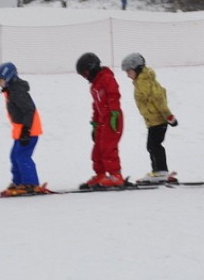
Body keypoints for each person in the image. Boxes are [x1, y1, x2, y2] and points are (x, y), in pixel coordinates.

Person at [0, 62, 49, 196]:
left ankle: (30, 184)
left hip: (29, 130)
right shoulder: (11, 91)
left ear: (8, 77)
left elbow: (29, 110)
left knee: (22, 156)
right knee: (14, 156)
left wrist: (26, 130)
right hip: (21, 130)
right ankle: (19, 182)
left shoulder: (17, 91)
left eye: (0, 80)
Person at [121, 53, 178, 184]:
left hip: (159, 120)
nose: (127, 74)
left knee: (154, 145)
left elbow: (158, 99)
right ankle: (158, 171)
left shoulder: (144, 82)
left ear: (137, 68)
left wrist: (169, 116)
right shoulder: (140, 81)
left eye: (129, 71)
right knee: (152, 145)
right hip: (153, 120)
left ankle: (160, 172)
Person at [76, 52, 125, 188]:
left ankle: (116, 175)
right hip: (103, 121)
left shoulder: (107, 78)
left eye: (85, 74)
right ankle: (101, 174)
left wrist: (114, 112)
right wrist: (95, 124)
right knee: (97, 149)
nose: (86, 77)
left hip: (113, 118)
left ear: (92, 68)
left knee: (108, 148)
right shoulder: (95, 85)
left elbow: (113, 94)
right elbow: (96, 106)